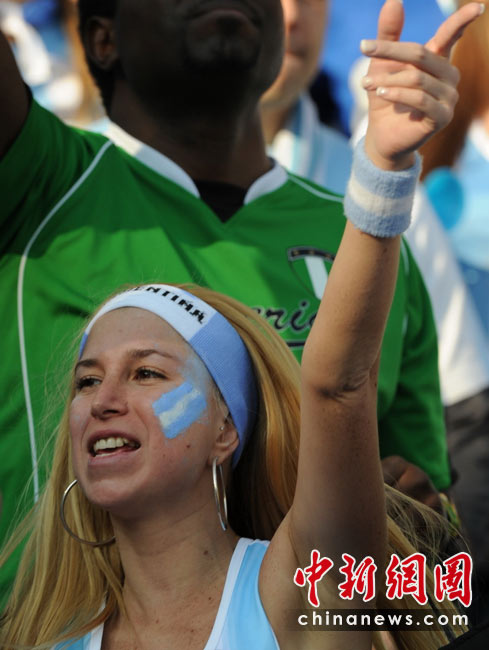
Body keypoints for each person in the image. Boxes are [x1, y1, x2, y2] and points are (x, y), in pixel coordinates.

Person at [0, 16, 481, 632]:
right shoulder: (38, 181)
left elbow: (445, 573)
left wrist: (419, 535)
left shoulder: (378, 241)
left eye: (146, 373)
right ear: (104, 37)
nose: (107, 401)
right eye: (87, 379)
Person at [261, 0, 489, 594]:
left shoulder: (388, 173)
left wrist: (430, 525)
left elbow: (461, 421)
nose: (291, 16)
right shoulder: (81, 185)